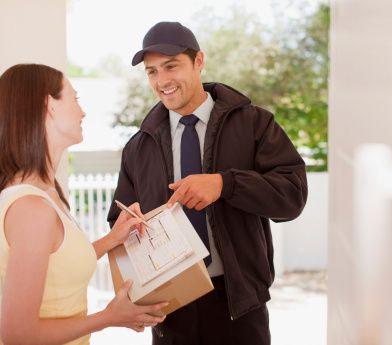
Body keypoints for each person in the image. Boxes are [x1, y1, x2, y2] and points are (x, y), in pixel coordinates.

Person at [107, 22, 308, 345]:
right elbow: (120, 222)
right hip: (170, 311)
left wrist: (225, 185)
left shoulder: (255, 124)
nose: (162, 81)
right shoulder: (138, 145)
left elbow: (292, 197)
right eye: (152, 72)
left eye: (171, 67)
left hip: (238, 307)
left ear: (199, 61)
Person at [0, 63, 168, 345]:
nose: (82, 111)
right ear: (48, 106)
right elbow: (17, 333)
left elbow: (56, 261)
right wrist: (109, 317)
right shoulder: (31, 208)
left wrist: (112, 239)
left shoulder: (44, 193)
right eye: (74, 99)